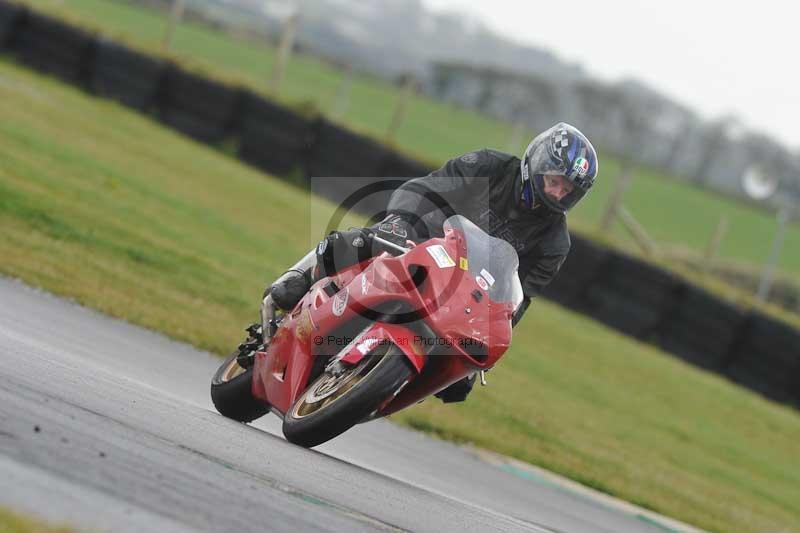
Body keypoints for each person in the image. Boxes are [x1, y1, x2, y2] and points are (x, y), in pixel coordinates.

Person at [266, 122, 599, 402]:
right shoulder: (488, 166)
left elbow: (516, 301)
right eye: (553, 180)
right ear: (536, 164)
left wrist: (481, 359)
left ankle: (373, 379)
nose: (556, 193)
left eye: (566, 190)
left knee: (451, 365)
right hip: (421, 239)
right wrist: (400, 223)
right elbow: (425, 189)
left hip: (463, 292)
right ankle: (300, 277)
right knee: (362, 242)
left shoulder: (555, 241)